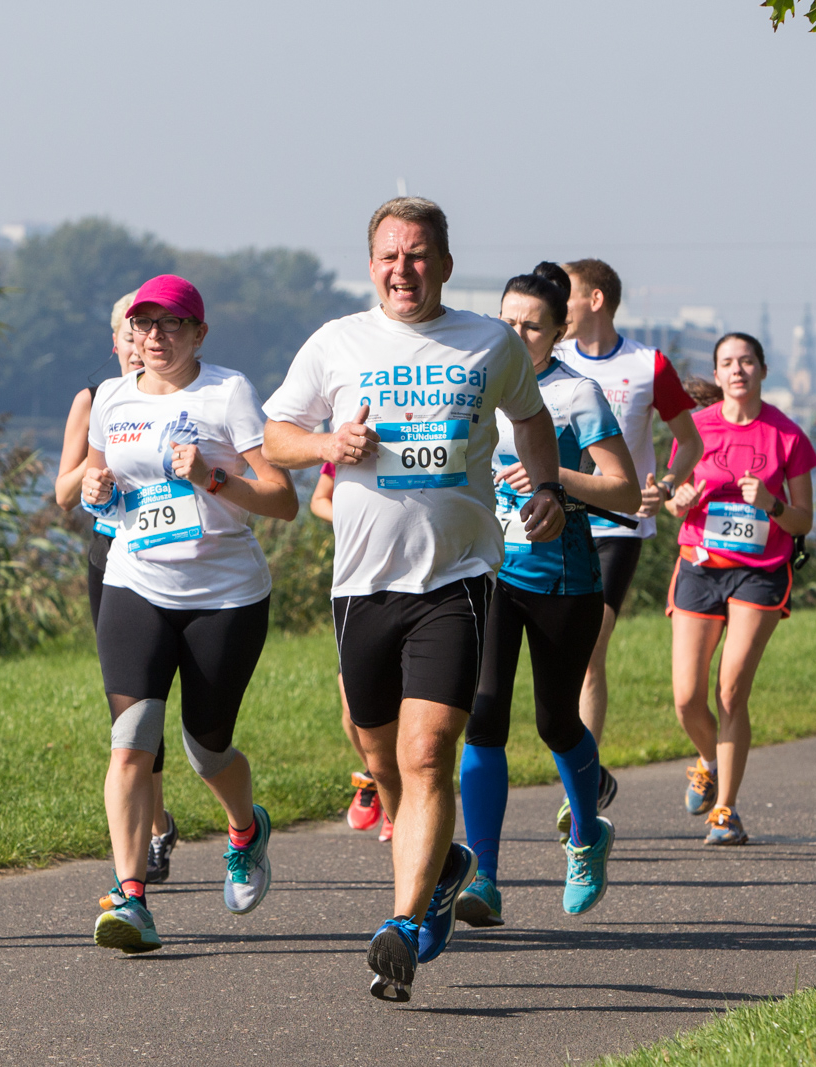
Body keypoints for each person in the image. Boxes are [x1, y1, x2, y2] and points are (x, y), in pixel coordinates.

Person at [262, 197, 566, 1002]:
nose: (405, 270)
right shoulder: (337, 342)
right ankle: (442, 868)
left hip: (455, 578)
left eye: (420, 254)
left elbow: (531, 418)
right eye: (391, 256)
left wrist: (545, 489)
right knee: (379, 755)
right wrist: (331, 444)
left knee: (427, 753)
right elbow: (275, 437)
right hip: (362, 584)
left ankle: (399, 925)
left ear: (445, 263)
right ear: (372, 265)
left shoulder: (488, 341)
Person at [83, 275, 298, 954]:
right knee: (131, 737)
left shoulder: (226, 392)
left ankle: (244, 828)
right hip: (135, 580)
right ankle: (131, 895)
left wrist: (211, 476)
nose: (155, 337)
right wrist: (98, 489)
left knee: (206, 748)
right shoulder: (112, 396)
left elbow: (283, 499)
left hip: (225, 594)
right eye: (144, 325)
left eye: (172, 325)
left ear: (199, 334)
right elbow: (105, 485)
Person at [455, 263, 638, 928]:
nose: (518, 333)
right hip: (487, 573)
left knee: (556, 722)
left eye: (532, 325)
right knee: (483, 715)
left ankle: (587, 833)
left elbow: (625, 491)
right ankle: (485, 878)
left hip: (564, 579)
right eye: (507, 321)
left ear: (559, 331)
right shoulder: (471, 385)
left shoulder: (576, 394)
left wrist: (552, 476)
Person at [555, 259, 702, 814]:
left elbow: (688, 441)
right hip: (559, 519)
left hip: (620, 524)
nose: (554, 303)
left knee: (591, 652)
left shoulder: (648, 364)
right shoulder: (549, 358)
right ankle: (588, 770)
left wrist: (664, 486)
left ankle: (579, 797)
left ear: (594, 299)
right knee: (557, 657)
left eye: (563, 293)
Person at [665, 333, 816, 846]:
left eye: (747, 361)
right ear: (717, 373)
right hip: (700, 564)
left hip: (760, 569)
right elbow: (670, 501)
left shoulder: (787, 436)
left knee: (731, 690)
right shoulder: (695, 428)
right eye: (728, 363)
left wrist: (772, 504)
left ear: (763, 369)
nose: (738, 370)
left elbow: (803, 521)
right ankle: (709, 759)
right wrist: (680, 497)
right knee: (686, 698)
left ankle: (725, 810)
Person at [55, 291, 180, 884]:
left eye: (149, 332)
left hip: (173, 559)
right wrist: (93, 470)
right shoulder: (96, 399)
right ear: (116, 342)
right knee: (129, 710)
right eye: (130, 335)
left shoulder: (181, 399)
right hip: (112, 557)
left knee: (153, 710)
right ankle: (154, 825)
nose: (139, 346)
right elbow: (61, 492)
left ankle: (153, 829)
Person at [309, 462, 394, 842]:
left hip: (419, 577)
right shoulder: (346, 446)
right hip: (358, 582)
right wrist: (353, 517)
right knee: (352, 706)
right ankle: (377, 775)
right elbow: (318, 500)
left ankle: (398, 801)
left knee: (408, 704)